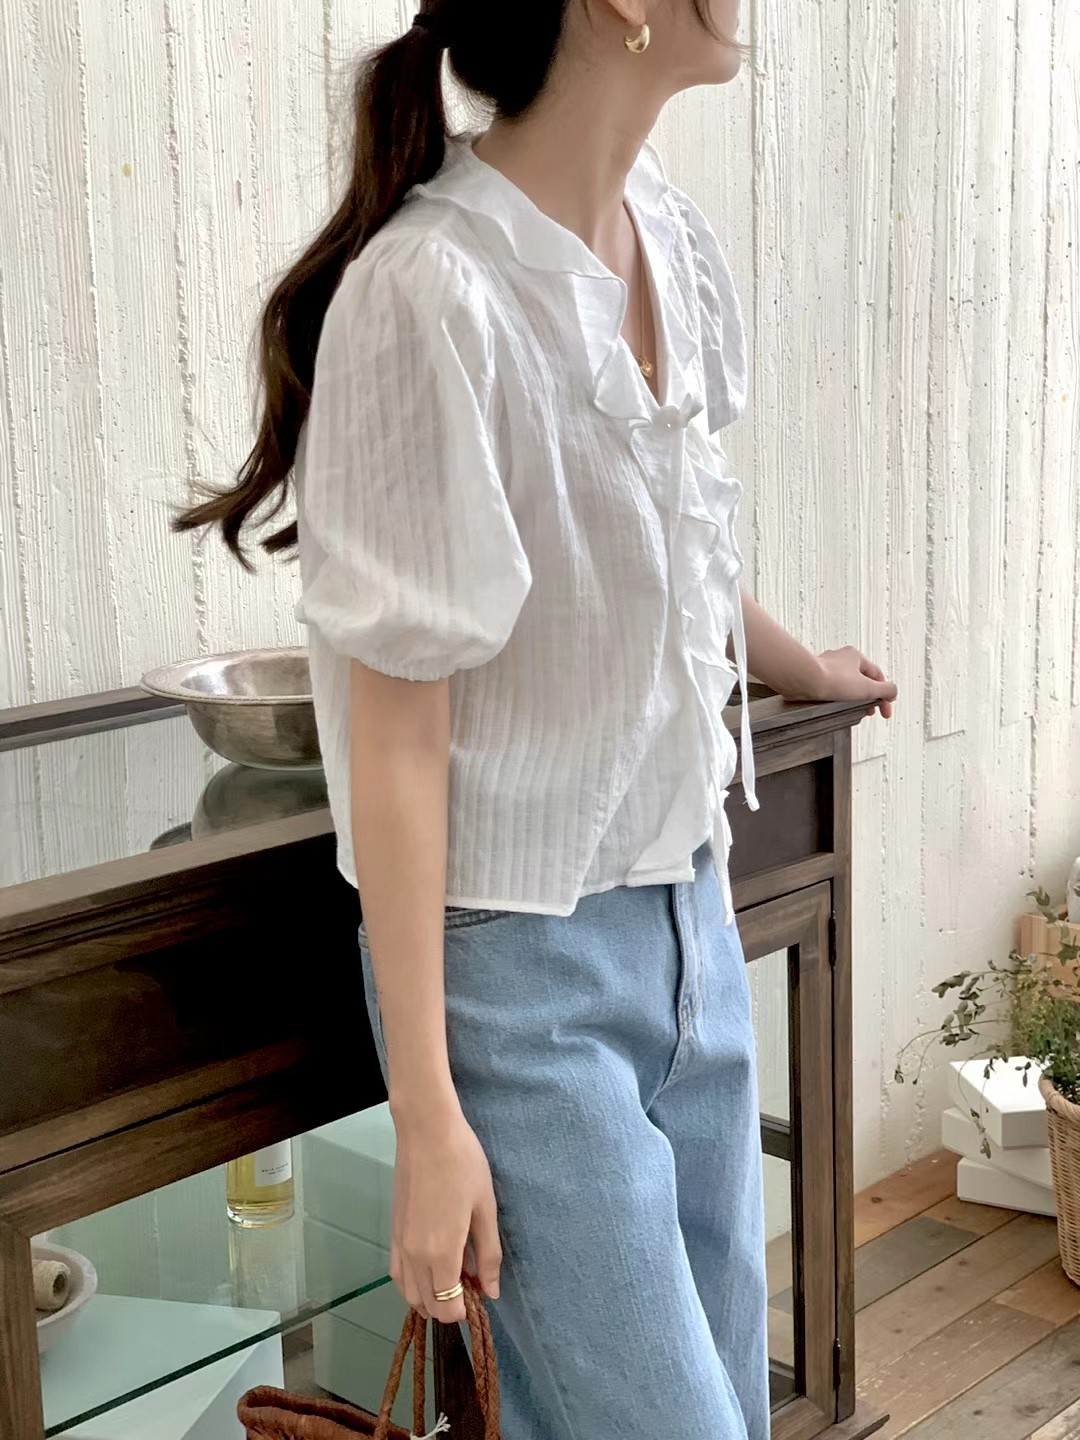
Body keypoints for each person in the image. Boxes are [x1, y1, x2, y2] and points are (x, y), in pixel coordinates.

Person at [180, 1, 897, 1433]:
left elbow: (674, 546)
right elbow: (396, 735)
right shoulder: (429, 295)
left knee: (729, 1409)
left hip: (690, 926)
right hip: (519, 981)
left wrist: (794, 663)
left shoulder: (663, 236)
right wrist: (430, 1113)